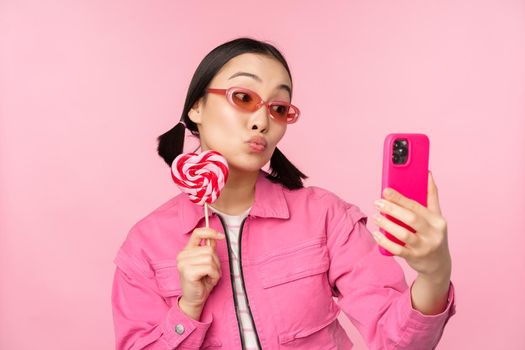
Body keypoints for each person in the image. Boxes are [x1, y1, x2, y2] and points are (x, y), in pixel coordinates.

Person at [111, 37, 456, 350]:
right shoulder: (145, 245)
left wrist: (435, 274)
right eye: (243, 98)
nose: (262, 121)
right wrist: (188, 307)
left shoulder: (325, 216)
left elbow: (398, 342)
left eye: (278, 108)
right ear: (196, 107)